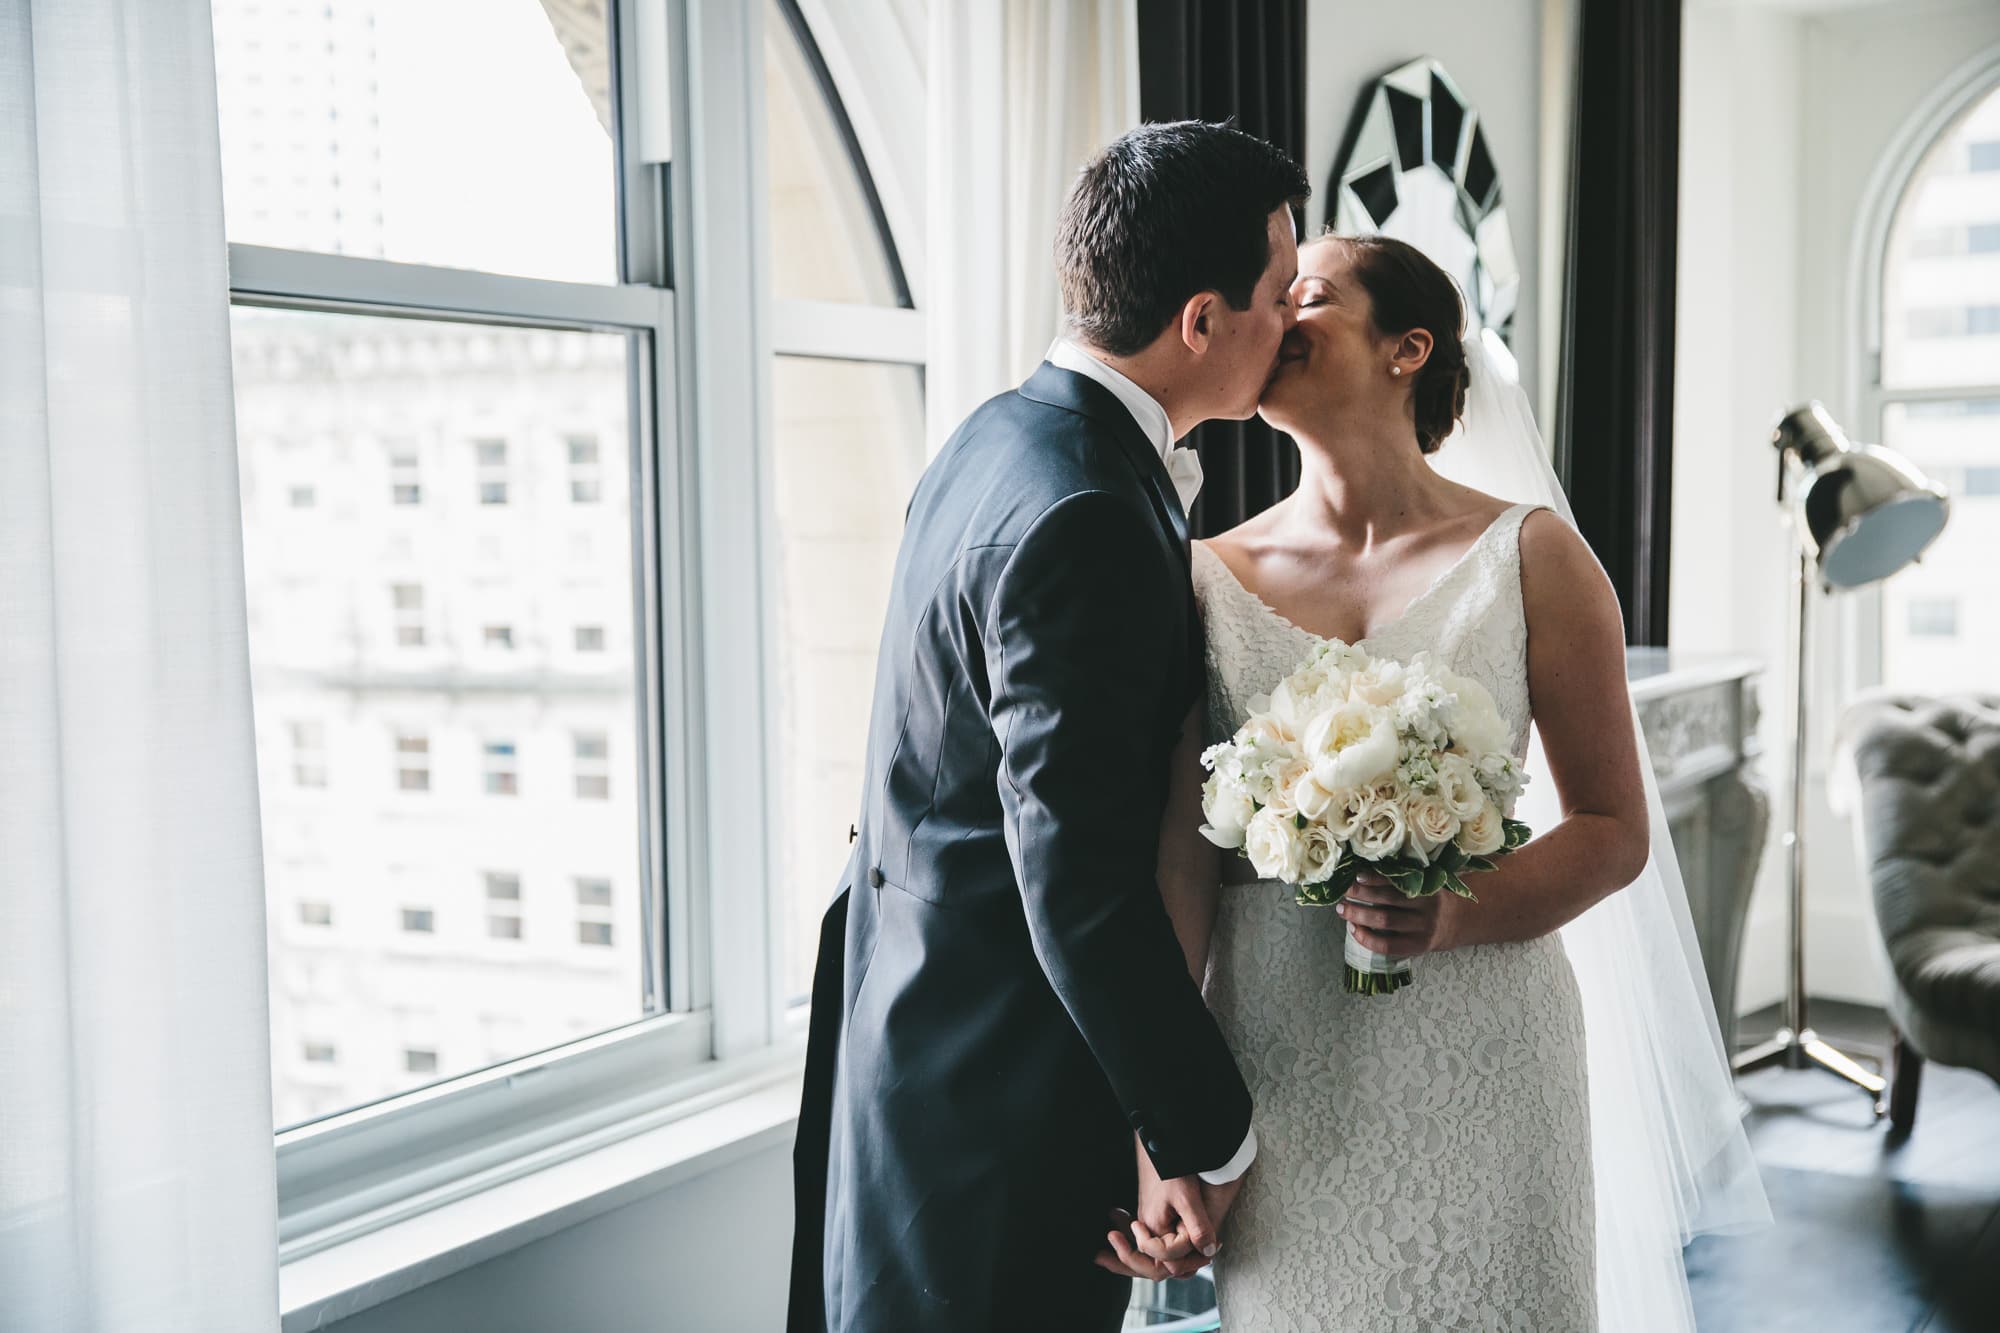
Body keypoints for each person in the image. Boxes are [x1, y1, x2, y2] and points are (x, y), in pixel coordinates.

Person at [1140, 232, 1767, 1329]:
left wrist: (1449, 913)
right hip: (1286, 1069)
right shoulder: (1201, 578)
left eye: (1312, 296)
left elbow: (1613, 827)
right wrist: (1164, 1127)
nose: (1275, 315)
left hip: (1488, 1060)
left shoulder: (1532, 558)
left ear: (1405, 349)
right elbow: (1184, 867)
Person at [787, 121, 1311, 1333]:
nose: (1288, 320)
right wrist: (1204, 1133)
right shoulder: (1084, 510)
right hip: (996, 1098)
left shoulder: (990, 438)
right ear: (1198, 321)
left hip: (909, 1032)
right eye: (1277, 293)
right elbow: (1074, 879)